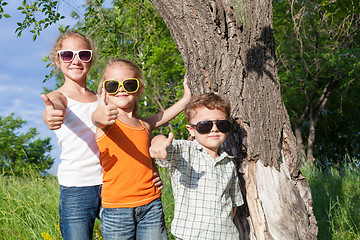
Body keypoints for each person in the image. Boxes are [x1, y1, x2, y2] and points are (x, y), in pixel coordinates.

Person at [40, 31, 163, 240]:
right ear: (57, 60)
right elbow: (53, 107)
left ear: (91, 59)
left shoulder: (106, 97)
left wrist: (150, 168)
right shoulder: (59, 97)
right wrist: (50, 115)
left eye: (83, 54)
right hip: (77, 189)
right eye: (68, 55)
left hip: (112, 185)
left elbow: (138, 130)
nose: (76, 61)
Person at [91, 58, 191, 240]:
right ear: (104, 91)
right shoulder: (107, 121)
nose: (121, 88)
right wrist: (99, 114)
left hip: (151, 204)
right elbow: (97, 119)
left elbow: (163, 116)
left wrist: (186, 99)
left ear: (139, 88)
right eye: (113, 85)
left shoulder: (144, 124)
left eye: (129, 84)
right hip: (117, 209)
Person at [149, 93, 244, 240]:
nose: (214, 129)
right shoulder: (184, 152)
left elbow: (233, 204)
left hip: (225, 235)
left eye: (221, 124)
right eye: (205, 125)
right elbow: (162, 143)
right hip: (190, 236)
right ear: (191, 129)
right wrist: (158, 142)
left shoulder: (228, 163)